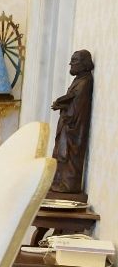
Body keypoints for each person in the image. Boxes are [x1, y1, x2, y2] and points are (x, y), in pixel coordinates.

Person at [50, 49, 94, 194]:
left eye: (74, 61)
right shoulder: (79, 79)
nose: (70, 64)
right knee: (61, 155)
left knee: (68, 156)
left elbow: (77, 107)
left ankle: (68, 186)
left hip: (74, 128)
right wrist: (61, 105)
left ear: (84, 64)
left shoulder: (85, 81)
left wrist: (62, 105)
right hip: (68, 125)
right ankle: (59, 183)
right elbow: (72, 99)